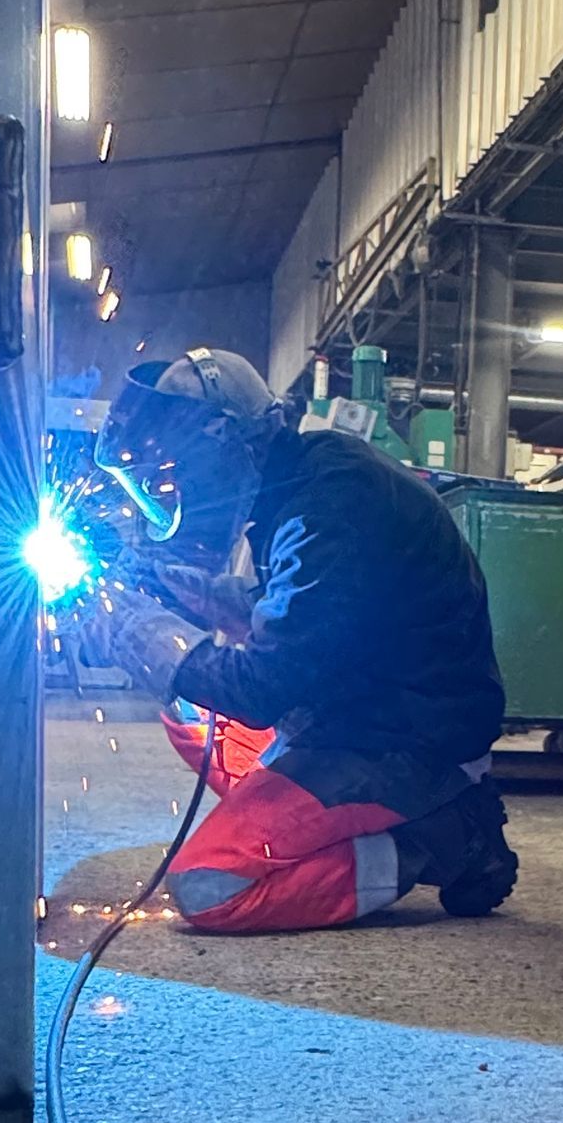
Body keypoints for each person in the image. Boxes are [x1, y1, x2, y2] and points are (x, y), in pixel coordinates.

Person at [87, 348, 518, 935]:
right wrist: (185, 590)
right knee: (186, 706)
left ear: (226, 443)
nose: (172, 490)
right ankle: (320, 813)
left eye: (178, 474)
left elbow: (267, 686)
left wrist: (136, 633)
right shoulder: (297, 484)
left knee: (210, 886)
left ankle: (439, 839)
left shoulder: (333, 505)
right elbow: (300, 615)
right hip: (348, 711)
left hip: (408, 744)